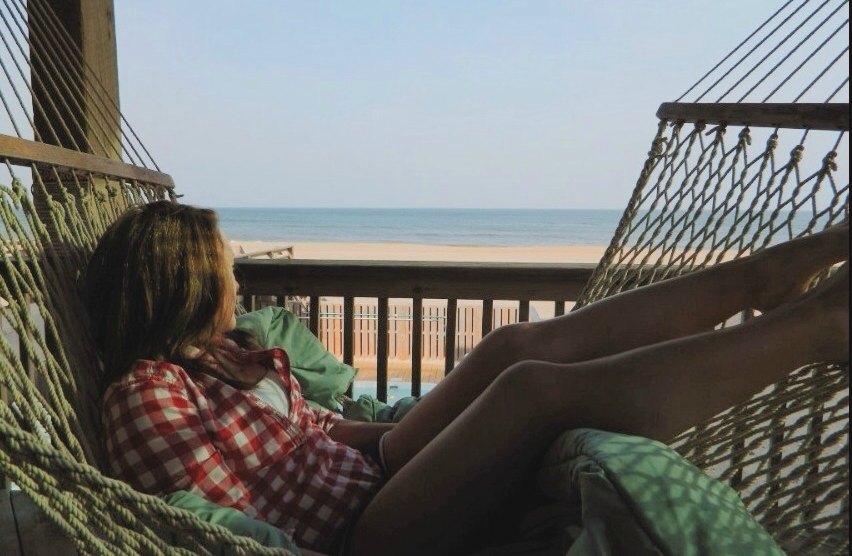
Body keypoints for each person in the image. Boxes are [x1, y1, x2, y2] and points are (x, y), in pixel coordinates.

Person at [85, 200, 849, 556]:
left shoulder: (214, 357)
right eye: (224, 271)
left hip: (372, 472)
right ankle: (818, 327)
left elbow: (307, 434)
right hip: (362, 535)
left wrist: (439, 429)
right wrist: (469, 438)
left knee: (510, 350)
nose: (236, 283)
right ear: (182, 282)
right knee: (532, 395)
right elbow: (230, 515)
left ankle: (760, 278)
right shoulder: (142, 397)